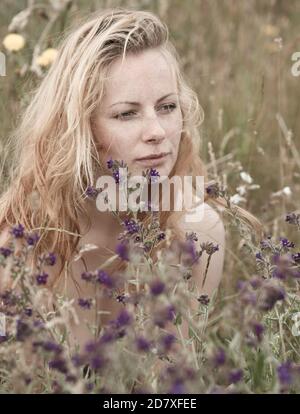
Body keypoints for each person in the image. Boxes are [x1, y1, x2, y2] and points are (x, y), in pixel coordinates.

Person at [0, 8, 262, 351]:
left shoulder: (196, 233)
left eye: (167, 107)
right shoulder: (16, 245)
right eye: (126, 113)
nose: (157, 132)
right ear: (78, 127)